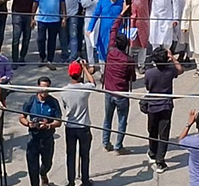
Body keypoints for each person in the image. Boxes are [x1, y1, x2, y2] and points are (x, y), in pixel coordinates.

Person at [144, 46, 184, 173]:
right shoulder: (170, 71)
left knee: (152, 131)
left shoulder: (149, 73)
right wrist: (172, 58)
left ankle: (152, 153)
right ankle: (160, 162)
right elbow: (180, 70)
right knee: (163, 134)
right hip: (166, 106)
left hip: (152, 106)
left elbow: (147, 87)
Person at [102, 13, 136, 153]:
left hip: (108, 91)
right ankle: (118, 146)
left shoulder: (110, 51)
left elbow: (113, 30)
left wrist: (121, 15)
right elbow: (132, 78)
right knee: (122, 120)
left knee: (107, 118)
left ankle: (105, 142)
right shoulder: (128, 60)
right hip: (121, 94)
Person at [20, 76, 63, 186]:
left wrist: (48, 125)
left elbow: (59, 121)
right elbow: (22, 117)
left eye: (47, 88)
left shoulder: (53, 102)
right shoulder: (30, 101)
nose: (44, 91)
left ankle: (43, 173)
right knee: (32, 166)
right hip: (33, 138)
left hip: (47, 139)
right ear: (38, 87)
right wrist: (29, 123)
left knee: (47, 164)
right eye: (42, 87)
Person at [62, 61, 96, 186]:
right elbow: (93, 82)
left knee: (70, 155)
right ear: (80, 73)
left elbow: (65, 105)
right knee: (84, 155)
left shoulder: (64, 90)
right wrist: (85, 68)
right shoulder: (84, 88)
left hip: (70, 126)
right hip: (83, 126)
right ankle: (85, 180)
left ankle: (71, 181)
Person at [32, 0, 67, 70]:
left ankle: (50, 60)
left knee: (52, 41)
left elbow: (62, 2)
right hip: (42, 19)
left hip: (55, 19)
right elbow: (35, 2)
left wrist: (64, 17)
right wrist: (32, 17)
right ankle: (42, 57)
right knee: (41, 39)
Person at [87, 0, 124, 64]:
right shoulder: (102, 0)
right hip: (103, 32)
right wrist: (90, 29)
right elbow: (95, 15)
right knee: (102, 52)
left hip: (117, 32)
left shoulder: (121, 2)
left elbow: (126, 17)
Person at [10, 0, 38, 66]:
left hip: (29, 12)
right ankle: (15, 59)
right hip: (17, 11)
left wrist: (33, 16)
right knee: (16, 38)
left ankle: (22, 57)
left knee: (27, 38)